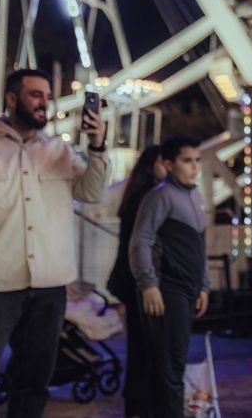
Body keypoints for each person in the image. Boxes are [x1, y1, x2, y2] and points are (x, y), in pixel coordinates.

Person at [0, 68, 109, 418]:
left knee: (33, 384)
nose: (44, 103)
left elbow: (92, 193)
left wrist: (98, 145)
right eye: (35, 95)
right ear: (12, 100)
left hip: (48, 287)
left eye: (46, 96)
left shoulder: (58, 151)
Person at [128, 136, 210, 418]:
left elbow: (201, 245)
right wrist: (148, 284)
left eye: (197, 160)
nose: (194, 167)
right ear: (168, 164)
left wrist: (204, 286)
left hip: (188, 291)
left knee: (171, 365)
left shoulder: (195, 196)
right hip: (168, 290)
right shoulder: (160, 196)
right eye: (187, 161)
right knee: (169, 368)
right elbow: (141, 242)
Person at [107, 145, 166, 418]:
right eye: (163, 162)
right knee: (148, 350)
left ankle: (138, 406)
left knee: (142, 350)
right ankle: (143, 407)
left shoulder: (135, 196)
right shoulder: (149, 198)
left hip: (133, 282)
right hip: (143, 283)